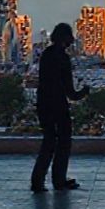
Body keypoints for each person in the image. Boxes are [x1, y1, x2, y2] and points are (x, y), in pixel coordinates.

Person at [30, 23, 89, 193]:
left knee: (49, 141)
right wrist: (83, 93)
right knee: (63, 142)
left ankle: (38, 181)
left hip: (44, 103)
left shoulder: (47, 54)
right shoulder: (62, 58)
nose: (72, 40)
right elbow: (70, 91)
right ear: (64, 38)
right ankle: (59, 179)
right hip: (58, 104)